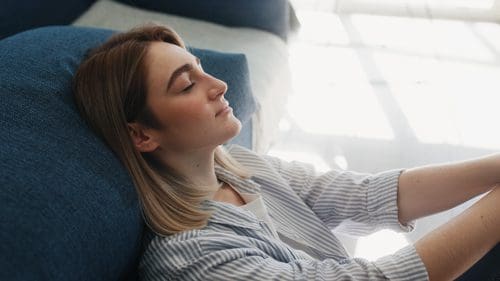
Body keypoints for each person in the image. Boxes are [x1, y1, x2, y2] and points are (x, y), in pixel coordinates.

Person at [72, 24, 500, 280]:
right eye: (187, 84)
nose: (219, 85)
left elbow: (367, 195)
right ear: (142, 135)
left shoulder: (243, 168)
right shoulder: (190, 257)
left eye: (201, 69)